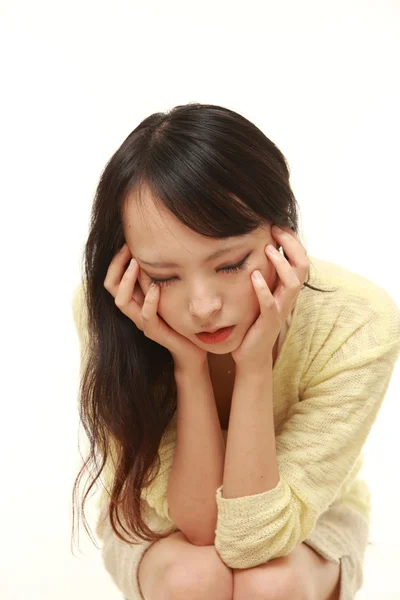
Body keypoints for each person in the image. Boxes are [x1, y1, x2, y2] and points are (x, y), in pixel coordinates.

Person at [71, 103, 400, 600]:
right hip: (156, 519)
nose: (203, 307)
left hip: (309, 517)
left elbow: (255, 542)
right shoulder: (116, 310)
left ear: (282, 235)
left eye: (229, 265)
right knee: (194, 577)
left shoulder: (358, 321)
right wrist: (189, 368)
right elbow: (202, 527)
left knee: (272, 582)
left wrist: (253, 370)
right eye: (164, 276)